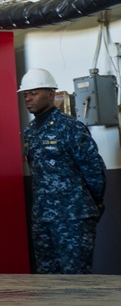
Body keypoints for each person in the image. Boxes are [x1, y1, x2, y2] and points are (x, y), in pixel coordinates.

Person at [19, 68, 107, 274]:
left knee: (75, 276)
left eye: (34, 93)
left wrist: (93, 203)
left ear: (51, 94)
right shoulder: (30, 131)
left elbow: (94, 169)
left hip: (73, 216)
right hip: (42, 217)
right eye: (26, 94)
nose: (29, 98)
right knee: (47, 278)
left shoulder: (70, 128)